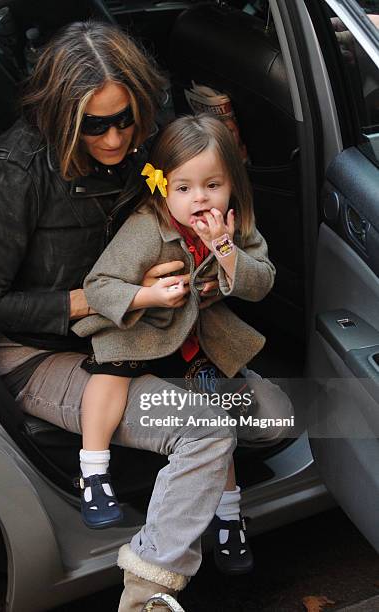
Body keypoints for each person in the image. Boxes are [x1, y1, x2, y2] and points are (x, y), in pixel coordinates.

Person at [0, 20, 293, 612]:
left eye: (126, 119)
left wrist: (203, 279)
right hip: (39, 347)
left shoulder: (147, 146)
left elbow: (197, 201)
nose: (114, 139)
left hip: (151, 333)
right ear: (61, 115)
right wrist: (113, 296)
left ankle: (211, 495)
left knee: (276, 420)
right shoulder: (14, 172)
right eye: (94, 125)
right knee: (207, 425)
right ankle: (147, 589)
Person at [72, 114, 291, 576]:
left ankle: (229, 517)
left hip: (194, 342)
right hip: (141, 330)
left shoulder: (234, 226)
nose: (200, 199)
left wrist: (225, 250)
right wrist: (149, 295)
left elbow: (262, 282)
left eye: (213, 185)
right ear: (162, 187)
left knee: (220, 417)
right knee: (112, 370)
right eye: (185, 188)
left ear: (233, 184)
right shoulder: (147, 228)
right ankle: (93, 471)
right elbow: (98, 285)